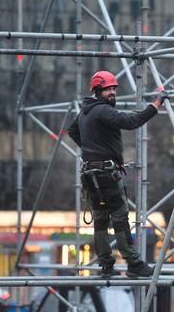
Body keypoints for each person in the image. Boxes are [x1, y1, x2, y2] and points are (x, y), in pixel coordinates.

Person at [68, 70, 167, 278]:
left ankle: (106, 266)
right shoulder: (103, 111)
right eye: (108, 89)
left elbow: (72, 130)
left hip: (91, 174)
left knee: (101, 220)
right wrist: (156, 105)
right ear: (97, 91)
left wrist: (90, 151)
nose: (112, 92)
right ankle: (133, 263)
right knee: (120, 219)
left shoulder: (85, 112)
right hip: (104, 174)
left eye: (114, 88)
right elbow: (132, 122)